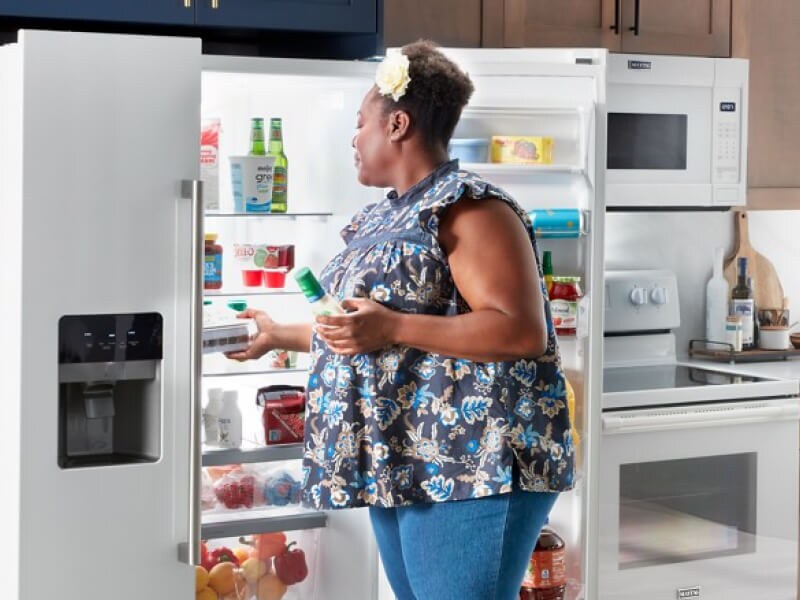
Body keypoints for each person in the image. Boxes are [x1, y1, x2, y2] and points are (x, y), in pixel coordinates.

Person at [228, 40, 574, 600]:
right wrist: (279, 336)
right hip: (404, 458)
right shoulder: (384, 216)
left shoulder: (471, 207)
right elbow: (368, 330)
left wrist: (388, 326)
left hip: (475, 463)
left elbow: (519, 330)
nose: (353, 137)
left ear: (398, 125)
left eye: (361, 122)